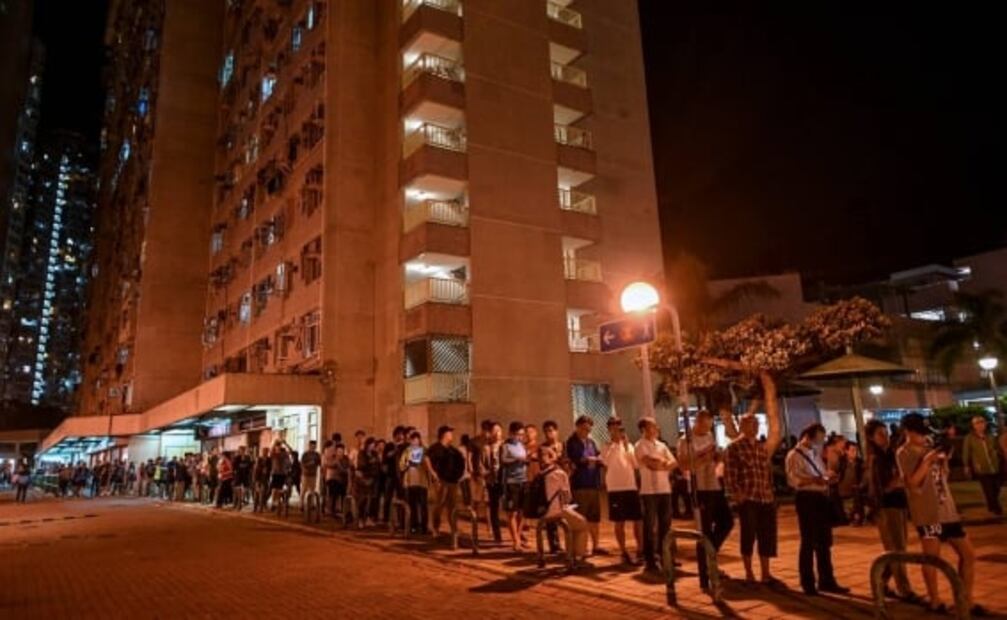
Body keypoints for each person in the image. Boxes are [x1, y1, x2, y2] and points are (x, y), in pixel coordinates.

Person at [898, 413, 986, 616]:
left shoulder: (929, 447)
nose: (924, 437)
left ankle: (965, 599)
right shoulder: (904, 452)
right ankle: (935, 600)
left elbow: (943, 475)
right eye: (919, 433)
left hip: (947, 509)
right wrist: (927, 461)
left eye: (925, 433)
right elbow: (912, 483)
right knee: (932, 558)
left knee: (968, 554)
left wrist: (944, 461)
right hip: (927, 513)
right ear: (908, 432)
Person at [724, 373, 783, 586]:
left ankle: (766, 573)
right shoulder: (734, 448)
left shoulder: (760, 447)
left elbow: (765, 472)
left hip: (765, 497)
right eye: (751, 424)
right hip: (748, 498)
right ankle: (749, 572)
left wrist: (771, 493)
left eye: (757, 424)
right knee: (748, 535)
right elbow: (730, 474)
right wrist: (737, 495)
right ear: (743, 427)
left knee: (767, 536)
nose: (756, 427)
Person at [786, 423, 849, 596]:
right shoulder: (794, 455)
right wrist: (816, 480)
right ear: (808, 437)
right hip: (807, 498)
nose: (820, 443)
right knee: (808, 541)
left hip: (821, 497)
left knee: (824, 542)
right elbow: (794, 481)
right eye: (819, 439)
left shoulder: (814, 453)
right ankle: (808, 583)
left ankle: (827, 580)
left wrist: (828, 477)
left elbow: (821, 473)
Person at [679, 408, 735, 589]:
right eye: (704, 426)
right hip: (699, 488)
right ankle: (706, 572)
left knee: (727, 522)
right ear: (697, 422)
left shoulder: (710, 436)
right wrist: (704, 456)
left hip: (714, 484)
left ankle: (711, 554)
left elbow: (715, 458)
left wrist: (718, 457)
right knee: (704, 530)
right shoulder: (686, 440)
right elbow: (684, 464)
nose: (707, 429)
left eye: (709, 426)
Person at [865, 419, 919, 603]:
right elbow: (883, 487)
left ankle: (881, 582)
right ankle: (904, 589)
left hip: (899, 503)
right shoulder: (876, 459)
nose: (885, 436)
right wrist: (899, 480)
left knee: (898, 548)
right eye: (880, 434)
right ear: (871, 438)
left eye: (886, 432)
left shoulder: (891, 453)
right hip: (887, 507)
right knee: (897, 550)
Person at [636, 416, 677, 572]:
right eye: (652, 426)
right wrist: (662, 464)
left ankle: (665, 555)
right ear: (644, 429)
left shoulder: (661, 445)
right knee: (650, 525)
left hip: (664, 489)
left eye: (655, 426)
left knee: (666, 524)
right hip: (649, 491)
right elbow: (650, 463)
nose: (656, 429)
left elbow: (673, 462)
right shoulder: (640, 445)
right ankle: (650, 559)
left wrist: (661, 464)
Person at [600, 417, 642, 565]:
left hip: (630, 486)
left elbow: (636, 464)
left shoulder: (629, 445)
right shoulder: (606, 446)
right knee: (619, 521)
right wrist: (615, 444)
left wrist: (625, 446)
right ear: (609, 429)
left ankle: (641, 549)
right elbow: (605, 461)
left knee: (638, 519)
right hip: (615, 488)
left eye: (618, 426)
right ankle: (623, 551)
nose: (617, 429)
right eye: (613, 427)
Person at [541, 445, 590, 567]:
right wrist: (567, 476)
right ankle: (577, 556)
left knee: (572, 522)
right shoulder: (559, 473)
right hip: (556, 511)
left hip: (542, 511)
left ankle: (571, 553)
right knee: (582, 523)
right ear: (552, 457)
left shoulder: (541, 473)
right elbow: (567, 498)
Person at [566, 415, 604, 554]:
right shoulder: (572, 442)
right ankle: (581, 547)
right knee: (581, 517)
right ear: (577, 427)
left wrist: (597, 460)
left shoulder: (591, 442)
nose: (586, 432)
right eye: (584, 428)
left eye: (589, 429)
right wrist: (589, 460)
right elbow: (576, 459)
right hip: (580, 484)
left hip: (593, 483)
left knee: (594, 517)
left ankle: (596, 546)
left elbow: (599, 457)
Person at [427, 425, 466, 537]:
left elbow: (461, 461)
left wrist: (460, 474)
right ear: (444, 435)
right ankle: (435, 528)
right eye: (449, 433)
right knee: (439, 505)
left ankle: (454, 529)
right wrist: (433, 473)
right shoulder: (435, 448)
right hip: (441, 481)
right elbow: (426, 458)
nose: (451, 435)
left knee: (452, 507)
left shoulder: (453, 450)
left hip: (453, 481)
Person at [962, 415, 1002, 516]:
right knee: (988, 489)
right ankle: (996, 507)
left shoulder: (990, 436)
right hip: (981, 467)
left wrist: (996, 454)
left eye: (982, 422)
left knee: (997, 487)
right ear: (973, 426)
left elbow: (997, 448)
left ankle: (991, 505)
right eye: (977, 423)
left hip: (994, 466)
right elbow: (966, 452)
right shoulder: (969, 438)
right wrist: (966, 466)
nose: (980, 425)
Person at [501, 421, 529, 551]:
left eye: (522, 435)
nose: (520, 437)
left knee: (522, 511)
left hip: (523, 480)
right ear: (511, 433)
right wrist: (516, 460)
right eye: (518, 434)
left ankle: (518, 536)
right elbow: (503, 460)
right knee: (512, 512)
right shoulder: (506, 446)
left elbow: (525, 459)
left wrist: (526, 461)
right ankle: (515, 540)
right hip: (511, 482)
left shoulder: (521, 445)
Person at [541, 420, 567, 553]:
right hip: (550, 485)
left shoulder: (563, 445)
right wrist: (555, 458)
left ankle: (569, 544)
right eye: (546, 431)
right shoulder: (543, 448)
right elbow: (544, 464)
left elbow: (567, 462)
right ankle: (554, 544)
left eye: (551, 430)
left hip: (564, 483)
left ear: (556, 431)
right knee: (551, 515)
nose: (548, 434)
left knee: (566, 513)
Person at [399, 430, 431, 535]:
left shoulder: (424, 450)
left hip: (422, 482)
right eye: (413, 440)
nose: (415, 442)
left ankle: (424, 527)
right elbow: (401, 466)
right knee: (412, 505)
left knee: (423, 505)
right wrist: (408, 463)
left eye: (416, 440)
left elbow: (427, 465)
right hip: (411, 482)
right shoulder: (407, 451)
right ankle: (413, 525)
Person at [838, 441, 866, 525]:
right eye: (852, 450)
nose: (855, 453)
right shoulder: (841, 462)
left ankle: (857, 518)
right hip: (843, 489)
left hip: (855, 489)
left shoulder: (860, 462)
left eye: (856, 450)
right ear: (846, 451)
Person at [269, 438, 291, 510]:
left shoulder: (284, 454)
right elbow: (271, 451)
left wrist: (286, 443)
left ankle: (277, 502)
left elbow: (291, 451)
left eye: (279, 446)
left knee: (279, 489)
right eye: (277, 447)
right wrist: (274, 443)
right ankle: (273, 502)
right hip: (275, 473)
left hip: (283, 473)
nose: (278, 448)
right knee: (274, 489)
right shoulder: (274, 454)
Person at [232, 446, 253, 510]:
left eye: (243, 450)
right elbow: (234, 466)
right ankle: (238, 503)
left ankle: (241, 501)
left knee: (245, 489)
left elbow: (250, 465)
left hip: (245, 475)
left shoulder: (248, 457)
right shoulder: (237, 457)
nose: (242, 452)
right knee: (237, 488)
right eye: (240, 450)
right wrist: (235, 472)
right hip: (238, 475)